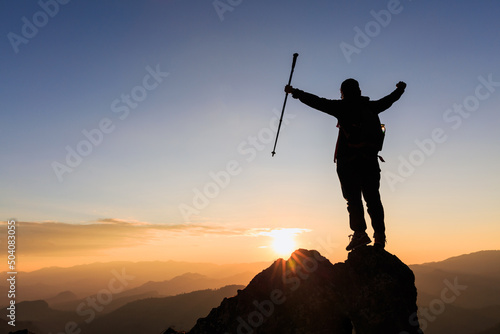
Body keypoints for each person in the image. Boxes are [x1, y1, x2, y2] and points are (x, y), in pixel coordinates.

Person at [285, 79, 406, 250]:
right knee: (373, 198)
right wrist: (400, 89)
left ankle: (359, 234)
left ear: (342, 92)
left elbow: (316, 102)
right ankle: (379, 236)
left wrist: (295, 92)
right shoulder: (372, 107)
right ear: (359, 90)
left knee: (353, 200)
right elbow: (390, 100)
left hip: (348, 162)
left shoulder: (341, 107)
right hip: (370, 161)